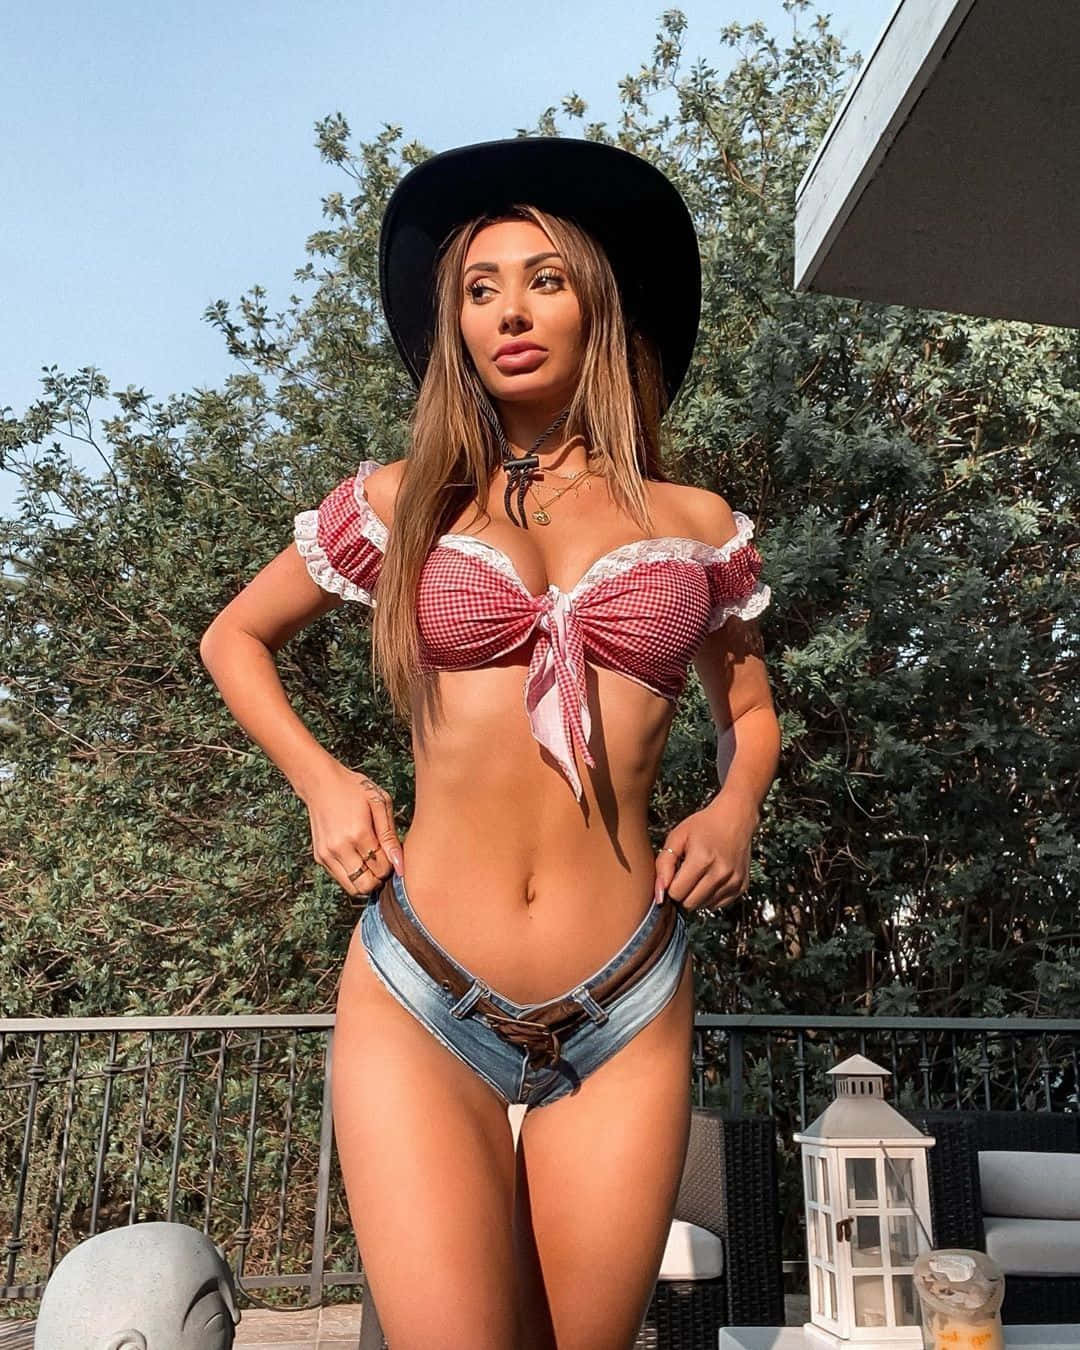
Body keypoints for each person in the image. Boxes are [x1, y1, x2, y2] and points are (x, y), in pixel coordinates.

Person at [200, 136, 780, 1350]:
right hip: (422, 988)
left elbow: (749, 713)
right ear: (455, 325)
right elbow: (234, 639)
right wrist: (324, 781)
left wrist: (733, 810)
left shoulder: (695, 524)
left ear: (597, 308)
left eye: (544, 280)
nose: (509, 312)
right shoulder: (400, 500)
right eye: (480, 288)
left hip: (625, 997)